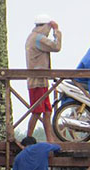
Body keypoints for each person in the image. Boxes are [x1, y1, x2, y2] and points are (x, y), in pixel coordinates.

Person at [25, 14, 62, 142]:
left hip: (40, 80)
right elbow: (56, 47)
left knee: (46, 111)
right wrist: (56, 31)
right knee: (37, 111)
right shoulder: (39, 39)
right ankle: (28, 138)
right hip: (38, 81)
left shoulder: (32, 37)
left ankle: (50, 139)